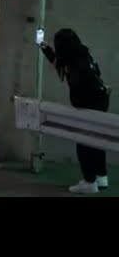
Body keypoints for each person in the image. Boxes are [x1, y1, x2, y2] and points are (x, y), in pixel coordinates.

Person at [40, 29, 111, 194]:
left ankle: (89, 181)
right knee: (96, 139)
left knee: (83, 141)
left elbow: (78, 86)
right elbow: (59, 62)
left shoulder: (76, 65)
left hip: (89, 104)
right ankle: (101, 176)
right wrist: (45, 49)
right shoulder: (82, 55)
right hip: (101, 99)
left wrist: (77, 109)